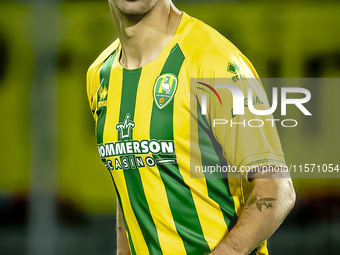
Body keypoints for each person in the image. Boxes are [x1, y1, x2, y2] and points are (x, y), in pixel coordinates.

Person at [86, 0, 296, 254]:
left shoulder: (214, 62)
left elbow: (277, 188)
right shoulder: (100, 75)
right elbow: (133, 180)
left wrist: (229, 250)